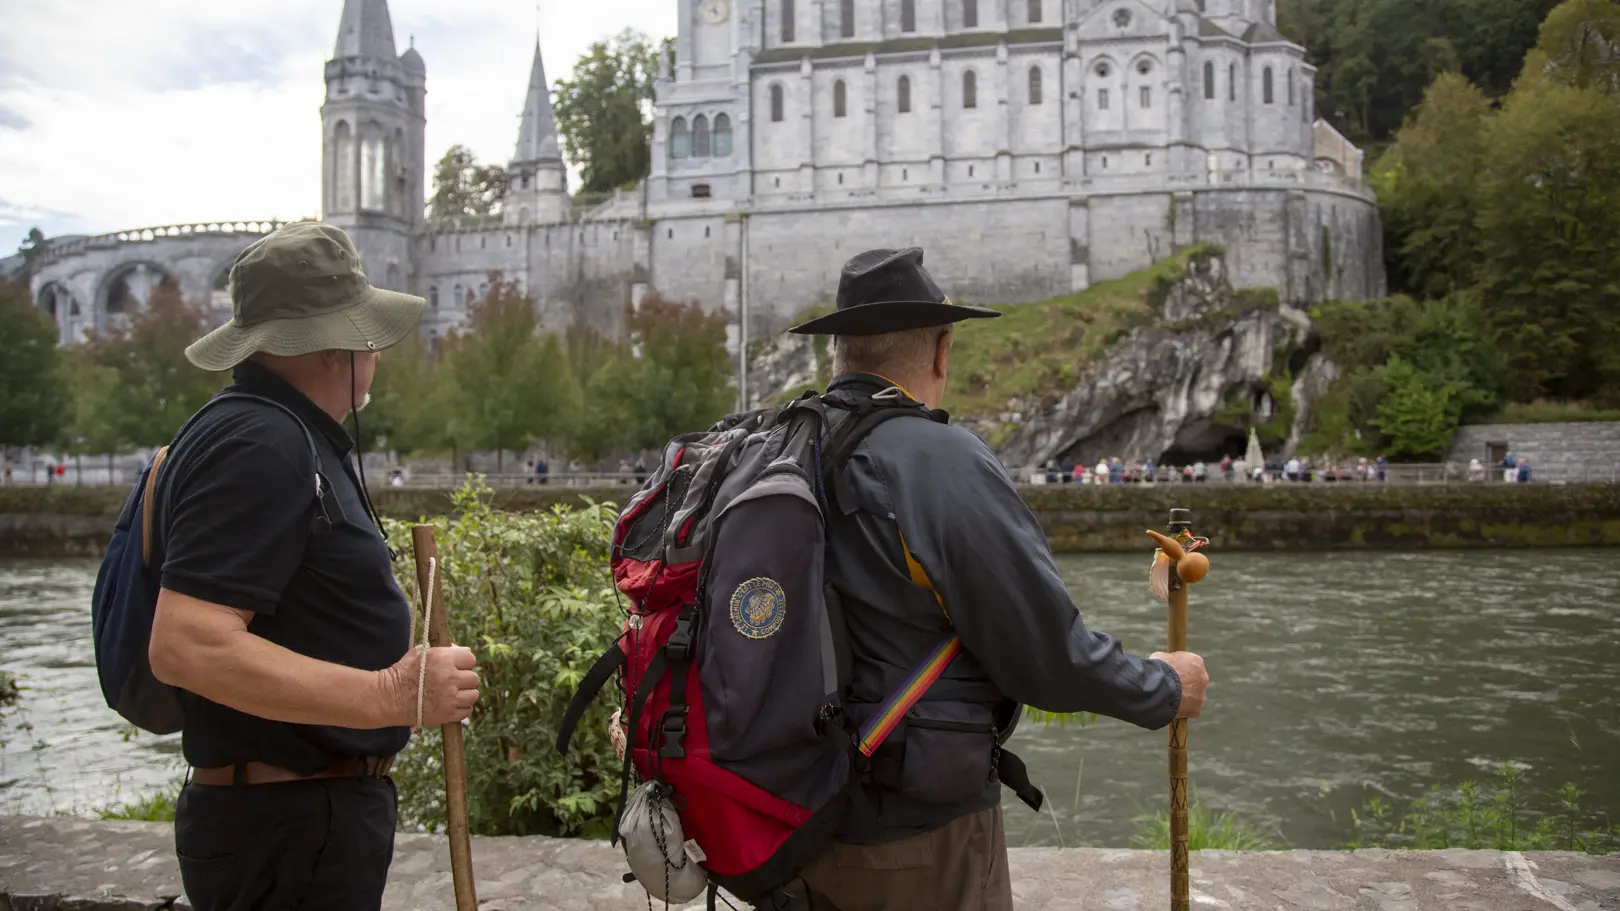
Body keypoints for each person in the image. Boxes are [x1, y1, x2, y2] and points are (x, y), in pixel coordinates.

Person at [776, 248, 1208, 910]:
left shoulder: (771, 448)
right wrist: (1161, 687)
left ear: (836, 350)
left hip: (777, 823)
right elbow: (1047, 656)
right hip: (912, 838)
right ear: (943, 349)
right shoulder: (940, 463)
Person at [146, 222, 481, 911]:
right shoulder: (261, 442)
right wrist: (393, 694)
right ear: (335, 344)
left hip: (299, 823)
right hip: (286, 829)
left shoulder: (276, 431)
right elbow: (186, 643)